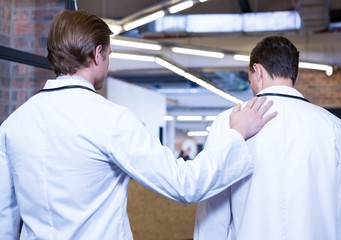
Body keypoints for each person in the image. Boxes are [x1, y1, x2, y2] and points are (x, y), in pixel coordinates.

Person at [0, 10, 277, 240]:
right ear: (97, 55)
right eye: (108, 54)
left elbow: (5, 219)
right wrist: (235, 134)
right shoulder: (109, 119)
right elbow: (185, 185)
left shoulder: (13, 125)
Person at [194, 36, 341, 240]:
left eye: (249, 79)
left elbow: (213, 216)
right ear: (293, 73)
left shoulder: (229, 122)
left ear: (258, 71)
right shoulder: (339, 130)